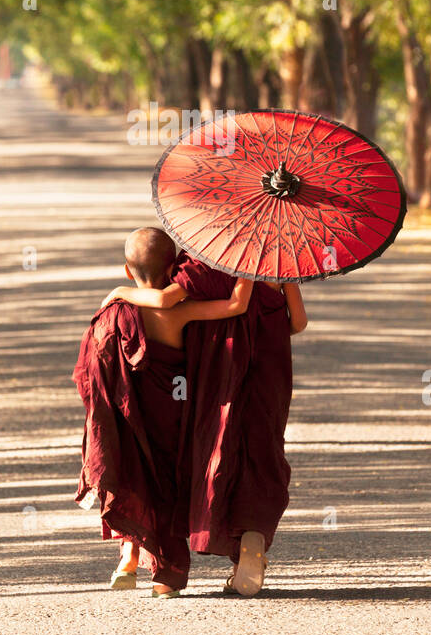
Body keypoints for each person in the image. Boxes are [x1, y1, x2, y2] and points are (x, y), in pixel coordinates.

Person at [109, 248, 307, 597]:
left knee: (218, 445)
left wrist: (120, 292)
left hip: (217, 372)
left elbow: (168, 300)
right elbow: (298, 322)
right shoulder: (277, 259)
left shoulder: (203, 259)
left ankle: (169, 547)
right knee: (262, 447)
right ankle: (252, 537)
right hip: (270, 372)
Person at [73, 227, 252, 597]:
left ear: (127, 270)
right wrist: (247, 262)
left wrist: (121, 293)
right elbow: (237, 306)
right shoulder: (180, 312)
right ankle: (165, 578)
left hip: (125, 416)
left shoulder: (113, 313)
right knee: (165, 484)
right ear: (174, 269)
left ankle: (129, 555)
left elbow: (92, 378)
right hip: (173, 412)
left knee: (131, 474)